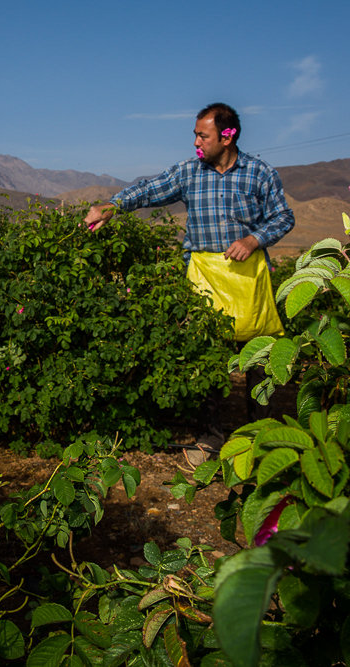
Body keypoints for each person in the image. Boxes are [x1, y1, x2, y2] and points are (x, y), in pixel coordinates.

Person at [84, 102, 295, 464]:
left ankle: (259, 438)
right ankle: (209, 437)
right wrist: (112, 206)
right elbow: (149, 190)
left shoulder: (259, 173)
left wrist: (253, 240)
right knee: (207, 358)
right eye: (196, 134)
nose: (196, 141)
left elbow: (283, 217)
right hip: (204, 279)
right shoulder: (189, 172)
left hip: (250, 281)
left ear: (227, 136)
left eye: (203, 134)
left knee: (259, 359)